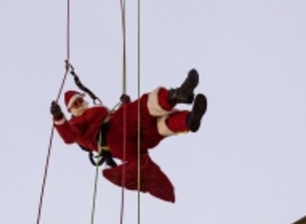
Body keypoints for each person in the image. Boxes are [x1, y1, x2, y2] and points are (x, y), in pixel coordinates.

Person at [50, 69, 208, 203]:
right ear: (70, 110)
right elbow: (69, 137)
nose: (79, 105)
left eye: (79, 101)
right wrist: (59, 118)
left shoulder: (96, 112)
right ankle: (176, 96)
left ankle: (188, 120)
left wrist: (126, 104)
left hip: (127, 143)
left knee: (157, 127)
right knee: (143, 106)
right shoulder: (75, 123)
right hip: (112, 136)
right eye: (75, 104)